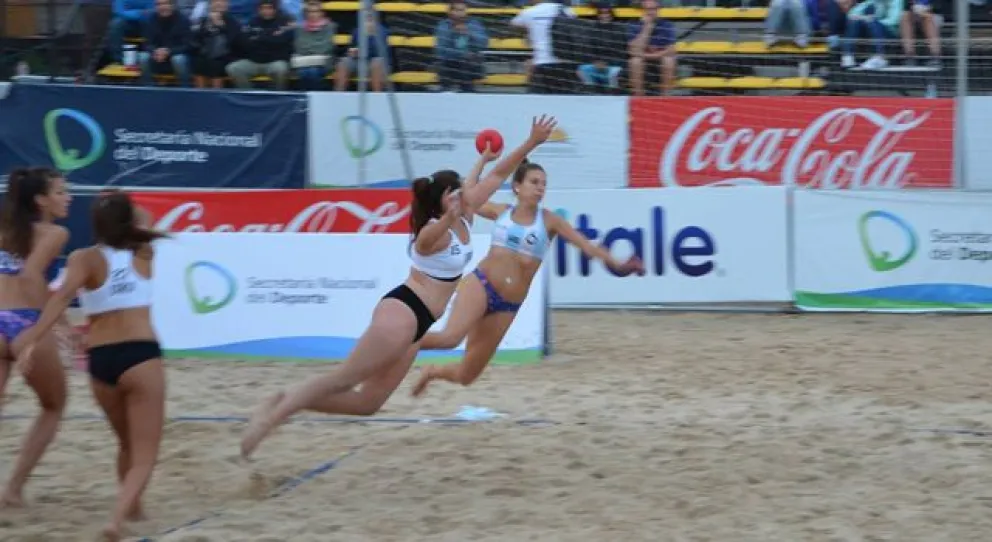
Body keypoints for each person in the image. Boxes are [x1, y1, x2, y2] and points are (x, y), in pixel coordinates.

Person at [239, 116, 559, 459]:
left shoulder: (465, 213)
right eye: (459, 195)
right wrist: (450, 216)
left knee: (367, 403)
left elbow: (496, 177)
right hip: (403, 311)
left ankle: (284, 400)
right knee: (344, 378)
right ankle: (273, 417)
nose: (468, 196)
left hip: (419, 325)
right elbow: (426, 244)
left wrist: (530, 143)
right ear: (444, 201)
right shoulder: (431, 231)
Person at [411, 160, 645, 397]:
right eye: (534, 182)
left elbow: (587, 247)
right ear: (517, 187)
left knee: (467, 376)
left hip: (507, 305)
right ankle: (396, 347)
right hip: (481, 284)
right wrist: (482, 160)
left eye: (544, 184)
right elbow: (468, 197)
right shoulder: (501, 212)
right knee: (449, 338)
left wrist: (619, 264)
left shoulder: (550, 221)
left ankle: (432, 372)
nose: (540, 188)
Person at [16, 190, 167, 542]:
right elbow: (146, 219)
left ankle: (134, 506)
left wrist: (34, 338)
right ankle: (116, 519)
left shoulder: (83, 258)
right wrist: (121, 207)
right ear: (128, 221)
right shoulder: (143, 251)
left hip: (101, 362)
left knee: (126, 443)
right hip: (140, 356)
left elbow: (61, 299)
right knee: (145, 454)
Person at [0, 167, 71, 507]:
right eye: (59, 192)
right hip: (26, 323)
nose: (67, 196)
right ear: (41, 200)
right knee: (53, 405)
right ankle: (13, 488)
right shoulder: (53, 233)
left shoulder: (4, 228)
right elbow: (31, 275)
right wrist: (55, 322)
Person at [226, 0, 295, 90]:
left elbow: (282, 42)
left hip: (274, 62)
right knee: (233, 68)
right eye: (263, 8)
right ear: (258, 10)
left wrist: (259, 38)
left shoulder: (285, 22)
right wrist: (269, 37)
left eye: (269, 8)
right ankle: (248, 95)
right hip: (254, 62)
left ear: (275, 9)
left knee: (281, 69)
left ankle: (278, 96)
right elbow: (246, 42)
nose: (266, 11)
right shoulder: (253, 22)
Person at [627, 0, 677, 96]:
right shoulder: (634, 25)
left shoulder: (666, 25)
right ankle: (639, 96)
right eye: (648, 9)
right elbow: (632, 50)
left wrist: (654, 55)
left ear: (658, 10)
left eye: (654, 9)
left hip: (658, 58)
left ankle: (665, 96)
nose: (651, 12)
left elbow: (671, 49)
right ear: (643, 10)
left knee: (669, 60)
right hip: (643, 60)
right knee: (635, 61)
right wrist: (647, 27)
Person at [139, 0, 193, 87]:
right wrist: (155, 51)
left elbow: (188, 45)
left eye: (166, 3)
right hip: (157, 58)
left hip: (176, 57)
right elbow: (146, 43)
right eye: (159, 4)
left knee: (178, 60)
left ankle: (185, 90)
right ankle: (148, 89)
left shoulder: (183, 20)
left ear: (173, 5)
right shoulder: (151, 19)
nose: (162, 7)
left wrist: (169, 51)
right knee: (142, 57)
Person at [190, 0, 242, 89]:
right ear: (210, 5)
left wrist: (220, 26)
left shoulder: (233, 21)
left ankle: (216, 96)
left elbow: (234, 42)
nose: (219, 3)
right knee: (198, 62)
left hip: (228, 54)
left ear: (227, 4)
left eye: (222, 1)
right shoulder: (204, 21)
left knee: (215, 64)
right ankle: (200, 95)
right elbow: (196, 40)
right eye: (215, 1)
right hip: (207, 54)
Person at [292, 0, 335, 90]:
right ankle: (306, 98)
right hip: (304, 62)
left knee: (312, 72)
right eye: (310, 12)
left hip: (324, 62)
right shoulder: (300, 28)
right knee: (304, 72)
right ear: (306, 14)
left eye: (316, 12)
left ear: (322, 13)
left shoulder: (330, 26)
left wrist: (310, 48)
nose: (312, 14)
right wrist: (316, 47)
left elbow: (326, 47)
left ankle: (316, 98)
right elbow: (299, 48)